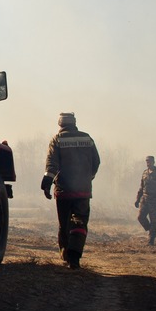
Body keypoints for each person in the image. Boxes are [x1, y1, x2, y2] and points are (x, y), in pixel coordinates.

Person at [42, 112, 100, 269]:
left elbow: (52, 163)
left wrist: (47, 182)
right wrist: (88, 177)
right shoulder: (87, 138)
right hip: (83, 191)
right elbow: (96, 162)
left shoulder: (57, 139)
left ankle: (66, 255)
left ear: (60, 124)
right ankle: (75, 257)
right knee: (79, 223)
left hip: (64, 191)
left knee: (65, 224)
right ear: (74, 123)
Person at [135, 155, 156, 246]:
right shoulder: (145, 173)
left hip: (154, 200)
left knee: (153, 219)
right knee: (141, 217)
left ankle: (151, 239)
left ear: (154, 162)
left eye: (150, 161)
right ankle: (150, 230)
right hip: (144, 199)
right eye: (147, 161)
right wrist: (137, 199)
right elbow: (141, 187)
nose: (148, 163)